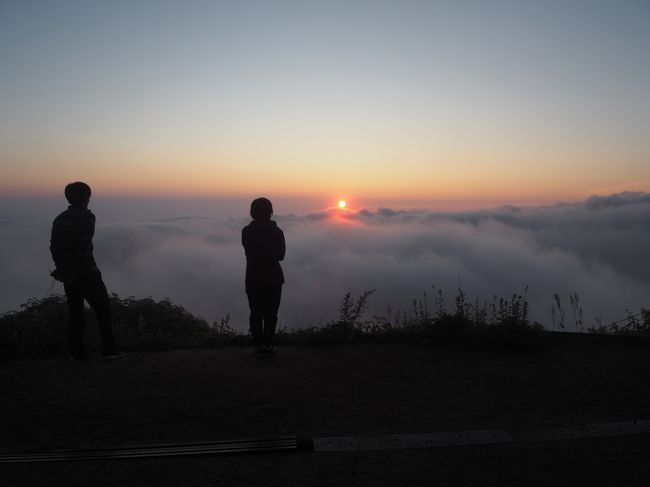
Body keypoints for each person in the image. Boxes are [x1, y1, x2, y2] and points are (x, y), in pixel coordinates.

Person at [50, 182, 123, 361]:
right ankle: (109, 351)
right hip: (87, 272)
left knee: (75, 312)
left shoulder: (59, 218)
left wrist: (63, 270)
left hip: (68, 275)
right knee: (103, 310)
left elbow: (54, 247)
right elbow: (83, 247)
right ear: (87, 197)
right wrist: (76, 269)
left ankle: (77, 353)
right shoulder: (87, 217)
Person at [242, 197, 285, 355]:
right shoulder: (277, 232)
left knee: (255, 313)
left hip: (253, 277)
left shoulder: (246, 231)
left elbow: (249, 251)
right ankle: (268, 345)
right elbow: (281, 256)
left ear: (252, 213)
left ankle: (257, 346)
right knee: (271, 313)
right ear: (270, 212)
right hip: (273, 277)